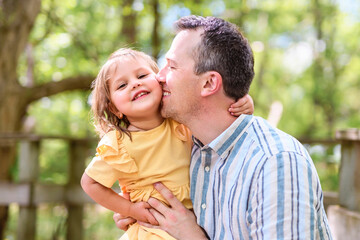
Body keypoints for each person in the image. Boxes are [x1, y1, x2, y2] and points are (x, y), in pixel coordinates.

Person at [114, 15, 333, 239]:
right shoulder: (185, 145)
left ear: (209, 83)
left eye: (171, 66)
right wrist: (136, 212)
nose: (158, 77)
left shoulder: (276, 162)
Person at [80, 48, 254, 240]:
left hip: (196, 224)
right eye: (122, 86)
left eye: (142, 75)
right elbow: (90, 183)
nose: (135, 84)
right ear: (114, 108)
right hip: (152, 230)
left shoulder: (180, 121)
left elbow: (216, 115)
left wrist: (243, 104)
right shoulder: (119, 144)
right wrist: (130, 209)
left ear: (160, 81)